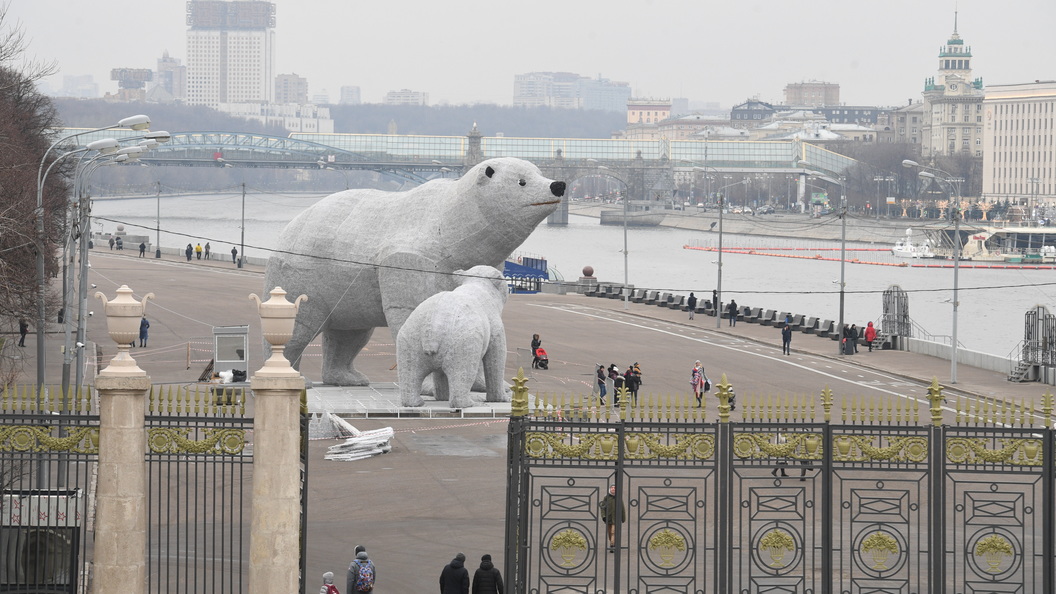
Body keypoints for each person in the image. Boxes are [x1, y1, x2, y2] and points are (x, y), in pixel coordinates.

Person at [600, 484, 626, 551]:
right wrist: (603, 516)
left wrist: (623, 518)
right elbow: (602, 508)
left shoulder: (619, 498)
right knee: (609, 532)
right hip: (608, 518)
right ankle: (612, 542)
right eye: (612, 488)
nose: (613, 489)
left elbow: (622, 508)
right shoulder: (606, 498)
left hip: (616, 518)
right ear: (610, 489)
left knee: (613, 532)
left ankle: (612, 545)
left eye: (615, 488)